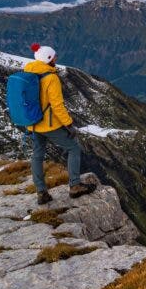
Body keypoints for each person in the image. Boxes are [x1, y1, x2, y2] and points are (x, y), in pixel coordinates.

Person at [24, 43, 95, 204]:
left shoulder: (30, 73)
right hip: (48, 124)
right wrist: (68, 124)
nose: (56, 58)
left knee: (37, 155)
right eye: (54, 56)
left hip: (33, 123)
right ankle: (75, 186)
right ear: (48, 59)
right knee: (73, 148)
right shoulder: (51, 78)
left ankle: (41, 192)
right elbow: (57, 105)